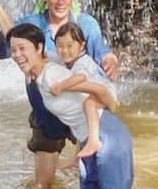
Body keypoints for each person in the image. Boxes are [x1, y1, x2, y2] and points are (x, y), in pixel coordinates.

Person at [0, 0, 118, 189]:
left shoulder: (86, 23)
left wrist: (111, 59)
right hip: (45, 110)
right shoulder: (34, 23)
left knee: (97, 183)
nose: (60, 0)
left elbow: (101, 54)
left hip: (79, 110)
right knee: (43, 186)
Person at [6, 22, 144, 189]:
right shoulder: (41, 75)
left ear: (40, 48)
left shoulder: (53, 74)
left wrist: (110, 101)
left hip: (107, 136)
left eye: (22, 48)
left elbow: (96, 88)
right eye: (13, 49)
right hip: (90, 141)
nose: (17, 54)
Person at [50, 21, 118, 161]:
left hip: (107, 95)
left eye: (70, 46)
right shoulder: (65, 59)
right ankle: (77, 159)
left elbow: (80, 77)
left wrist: (61, 86)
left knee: (89, 104)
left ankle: (94, 141)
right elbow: (48, 56)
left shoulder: (83, 62)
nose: (64, 50)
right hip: (93, 93)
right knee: (81, 114)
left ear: (81, 46)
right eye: (60, 46)